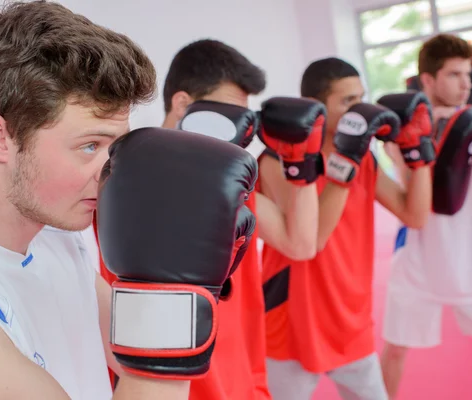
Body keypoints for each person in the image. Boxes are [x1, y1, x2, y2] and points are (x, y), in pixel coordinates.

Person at [0, 2, 254, 399]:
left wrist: (187, 281)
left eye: (116, 146)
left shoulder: (57, 236)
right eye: (89, 145)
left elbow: (127, 351)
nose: (109, 171)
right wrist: (175, 293)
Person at [93, 39, 323, 400]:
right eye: (231, 113)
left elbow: (300, 243)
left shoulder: (228, 184)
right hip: (168, 387)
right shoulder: (125, 185)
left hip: (245, 385)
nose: (241, 129)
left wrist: (302, 166)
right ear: (184, 104)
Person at [259, 57, 433, 400]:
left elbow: (414, 215)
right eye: (347, 101)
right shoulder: (278, 161)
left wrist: (417, 153)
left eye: (360, 98)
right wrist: (345, 163)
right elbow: (313, 239)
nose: (360, 110)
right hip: (292, 319)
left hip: (350, 318)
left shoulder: (364, 157)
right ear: (317, 107)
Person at [380, 34, 472, 400]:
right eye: (455, 75)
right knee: (394, 350)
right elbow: (410, 188)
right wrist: (411, 143)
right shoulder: (404, 131)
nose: (467, 84)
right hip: (418, 261)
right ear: (428, 79)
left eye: (469, 75)